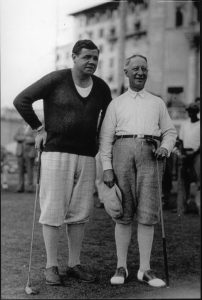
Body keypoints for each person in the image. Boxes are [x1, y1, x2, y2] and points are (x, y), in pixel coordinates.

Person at [13, 39, 112, 286]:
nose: (91, 62)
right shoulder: (56, 79)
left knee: (80, 213)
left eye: (95, 58)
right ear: (74, 57)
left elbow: (108, 118)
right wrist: (38, 129)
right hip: (56, 153)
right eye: (87, 57)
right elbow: (21, 100)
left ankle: (74, 264)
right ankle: (51, 266)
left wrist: (101, 141)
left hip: (88, 156)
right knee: (53, 210)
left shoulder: (101, 88)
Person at [99, 54, 177, 286]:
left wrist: (165, 148)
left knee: (147, 213)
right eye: (135, 69)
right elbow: (105, 139)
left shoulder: (157, 102)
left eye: (144, 69)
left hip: (151, 155)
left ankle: (145, 269)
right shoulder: (116, 103)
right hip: (121, 152)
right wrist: (107, 168)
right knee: (123, 214)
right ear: (126, 72)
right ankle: (121, 266)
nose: (140, 73)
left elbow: (170, 132)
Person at [178, 102, 200, 213]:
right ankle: (183, 206)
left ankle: (197, 204)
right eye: (189, 111)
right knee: (183, 180)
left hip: (197, 154)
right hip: (185, 154)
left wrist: (195, 153)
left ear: (197, 112)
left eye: (193, 111)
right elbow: (181, 140)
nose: (190, 113)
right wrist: (182, 153)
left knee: (197, 179)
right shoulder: (184, 124)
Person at [14, 122, 37, 193]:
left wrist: (22, 138)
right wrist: (26, 138)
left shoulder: (34, 128)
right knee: (20, 171)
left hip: (30, 153)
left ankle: (30, 188)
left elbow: (35, 139)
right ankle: (20, 187)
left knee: (30, 171)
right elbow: (15, 137)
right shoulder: (19, 128)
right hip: (20, 152)